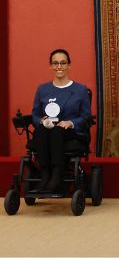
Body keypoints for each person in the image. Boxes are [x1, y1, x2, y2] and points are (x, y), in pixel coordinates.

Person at [30, 49, 92, 193]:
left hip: (71, 132)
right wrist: (41, 121)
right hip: (47, 131)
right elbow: (34, 115)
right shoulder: (42, 89)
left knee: (57, 130)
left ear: (69, 65)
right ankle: (45, 174)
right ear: (51, 66)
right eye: (55, 63)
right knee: (41, 129)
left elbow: (86, 116)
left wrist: (71, 122)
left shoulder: (80, 90)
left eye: (63, 63)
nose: (59, 66)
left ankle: (57, 174)